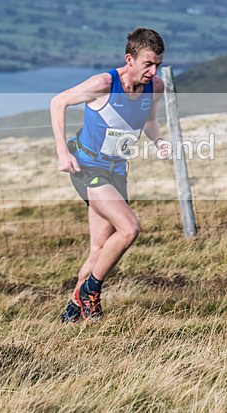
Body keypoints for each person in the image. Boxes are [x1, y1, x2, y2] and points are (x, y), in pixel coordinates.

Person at [50, 27, 171, 323]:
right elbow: (58, 102)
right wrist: (62, 154)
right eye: (148, 64)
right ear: (129, 59)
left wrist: (160, 141)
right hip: (88, 169)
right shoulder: (104, 83)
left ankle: (72, 315)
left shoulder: (155, 87)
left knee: (99, 250)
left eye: (158, 64)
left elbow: (149, 121)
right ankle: (91, 292)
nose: (153, 70)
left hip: (117, 172)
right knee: (129, 229)